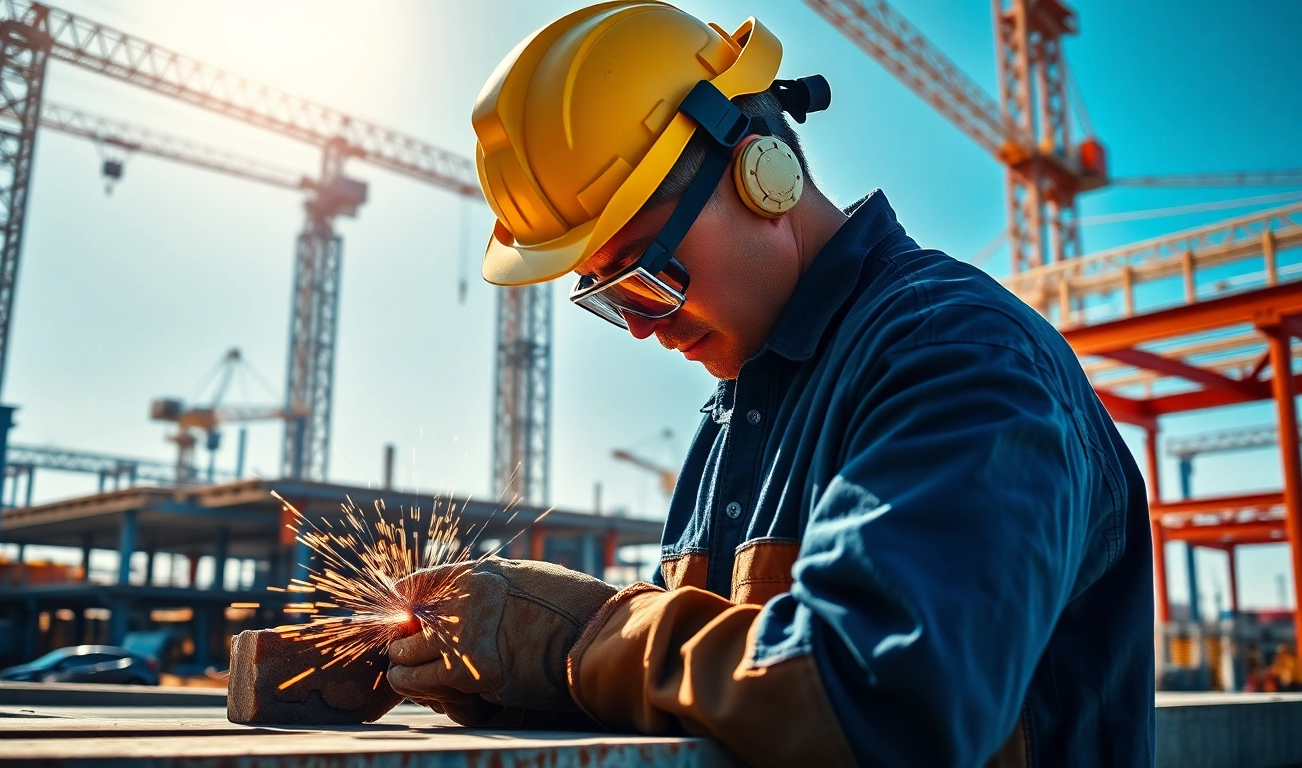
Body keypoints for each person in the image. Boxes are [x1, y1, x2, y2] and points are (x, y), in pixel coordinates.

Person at [387, 3, 1154, 765]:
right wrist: (517, 676)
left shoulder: (954, 356)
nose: (646, 326)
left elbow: (889, 704)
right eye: (612, 298)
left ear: (763, 174)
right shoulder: (734, 422)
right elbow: (709, 697)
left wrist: (576, 643)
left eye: (647, 274)